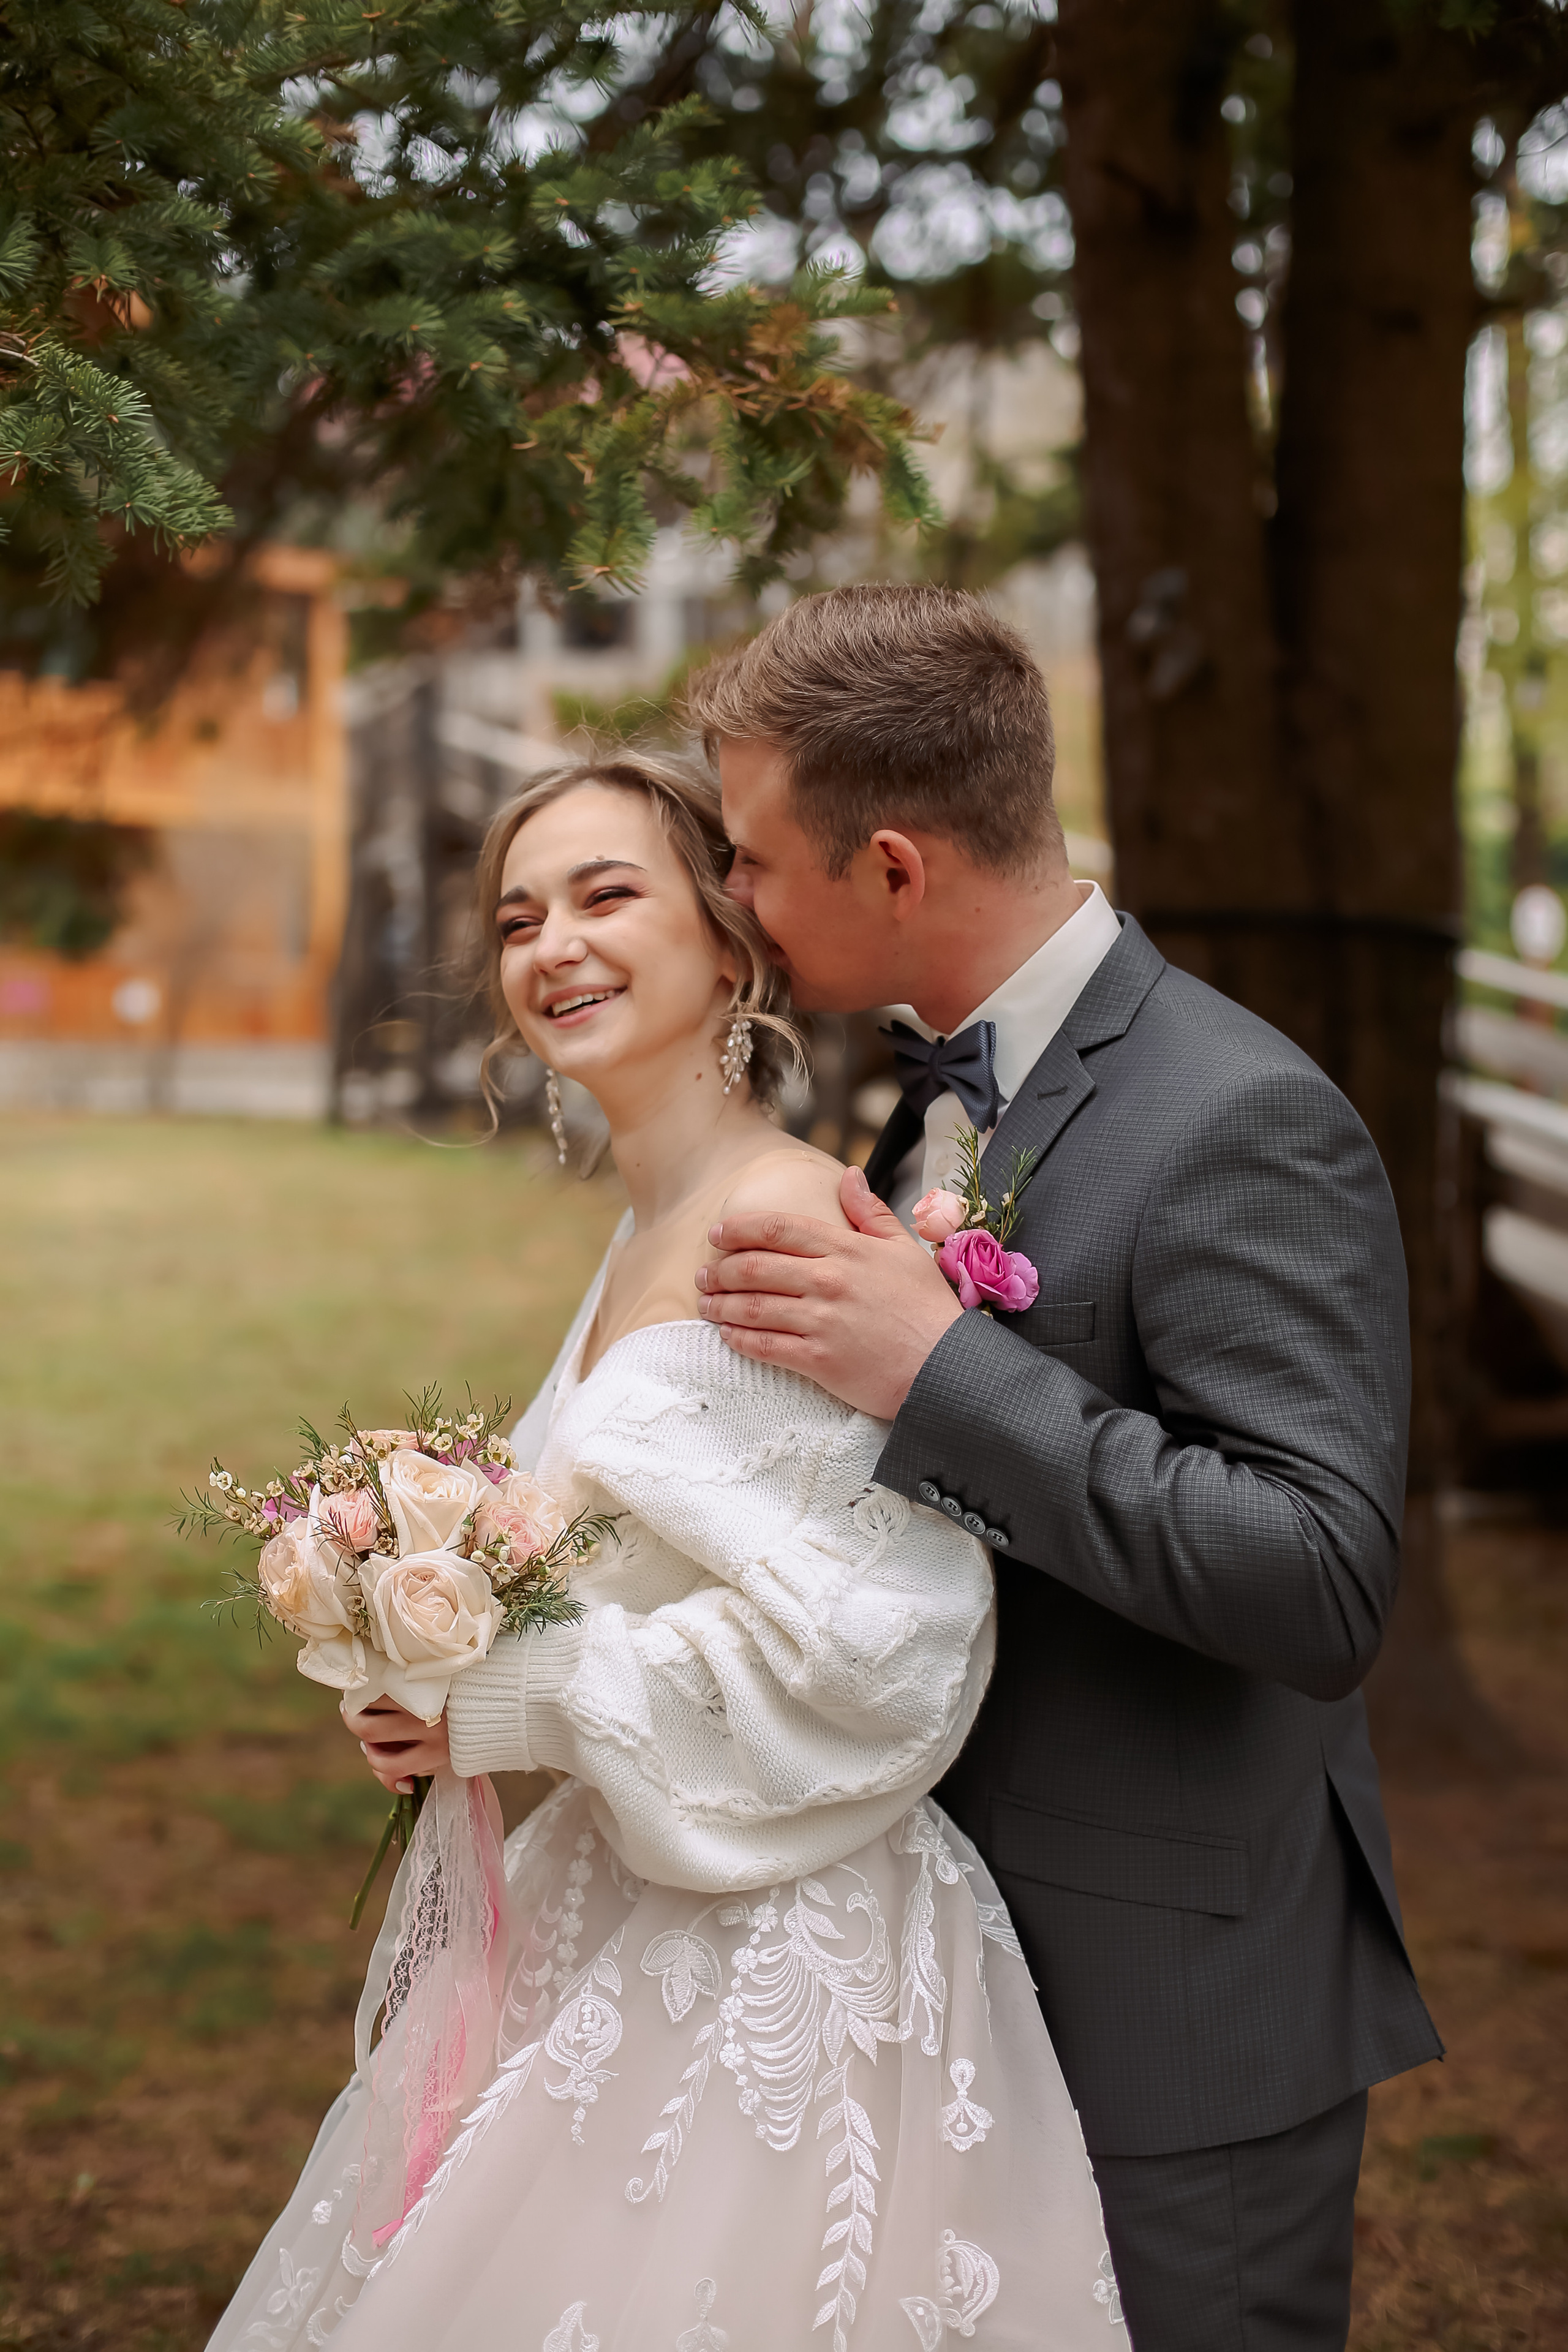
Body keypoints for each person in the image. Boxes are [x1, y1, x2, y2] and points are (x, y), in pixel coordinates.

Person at [208, 753, 1119, 2352]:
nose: (551, 943)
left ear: (731, 937)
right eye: (518, 918)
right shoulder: (644, 1232)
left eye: (606, 894)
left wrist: (522, 1694)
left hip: (776, 1956)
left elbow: (886, 1645)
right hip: (624, 1897)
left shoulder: (793, 1229)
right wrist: (429, 1664)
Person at [681, 582, 1443, 2352]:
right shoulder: (929, 1096)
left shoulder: (1243, 1115)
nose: (734, 897)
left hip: (1174, 2009)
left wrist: (940, 1369)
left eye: (753, 859)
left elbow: (1319, 1579)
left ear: (893, 867)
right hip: (943, 1973)